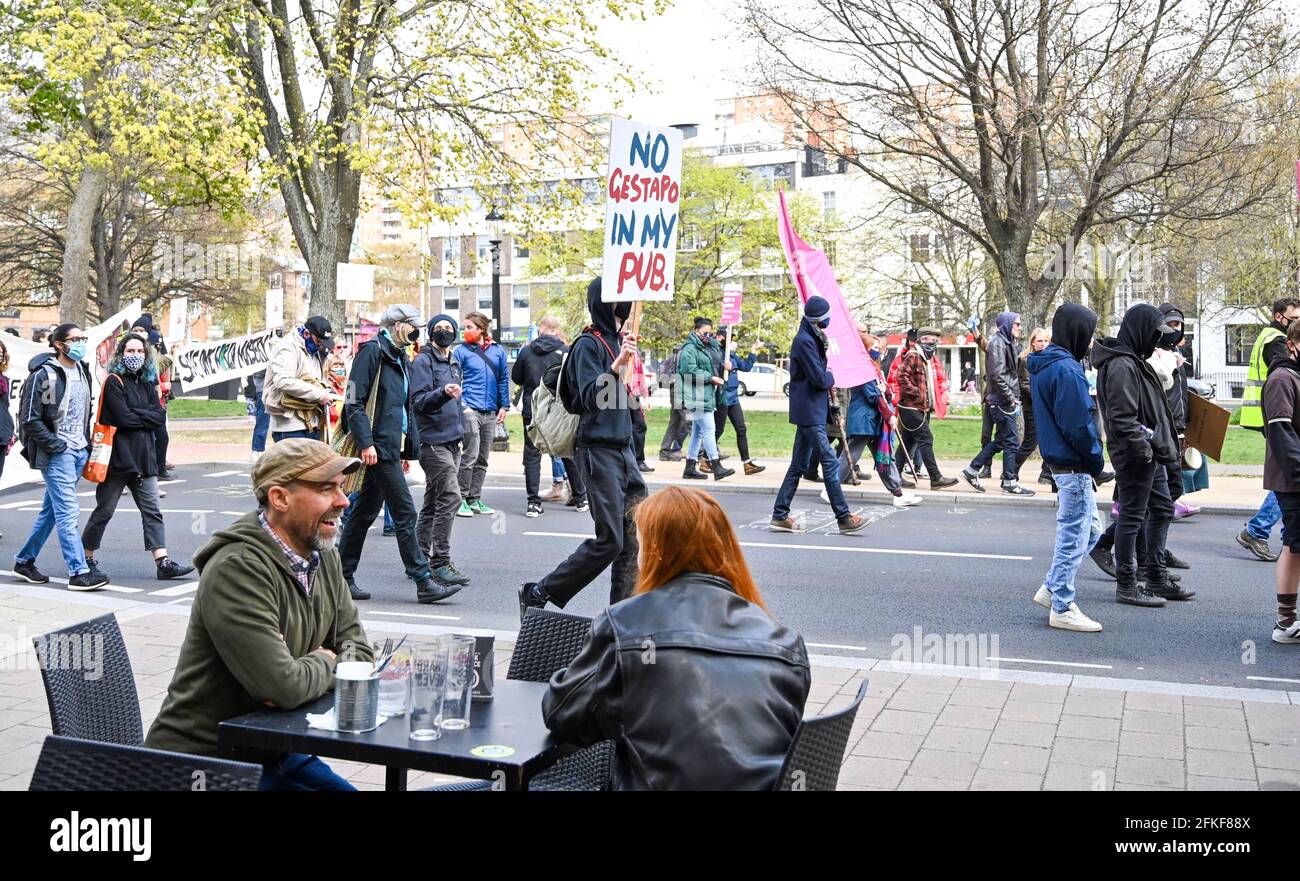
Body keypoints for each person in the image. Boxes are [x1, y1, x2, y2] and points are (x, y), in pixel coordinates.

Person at [543, 486, 810, 790]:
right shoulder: (784, 642)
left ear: (656, 551)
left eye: (640, 544)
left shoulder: (625, 624)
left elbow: (562, 715)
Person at [145, 439, 372, 790]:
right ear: (280, 498)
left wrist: (309, 666)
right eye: (327, 489)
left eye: (341, 488)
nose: (343, 501)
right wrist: (328, 658)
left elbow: (359, 650)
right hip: (206, 763)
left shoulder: (323, 553)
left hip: (276, 749)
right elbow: (281, 686)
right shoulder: (237, 568)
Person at [519, 278, 648, 613]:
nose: (626, 305)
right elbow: (588, 399)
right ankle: (539, 592)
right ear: (605, 303)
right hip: (597, 451)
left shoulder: (616, 342)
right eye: (619, 299)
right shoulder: (587, 345)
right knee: (610, 541)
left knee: (633, 540)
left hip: (624, 452)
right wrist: (617, 366)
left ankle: (623, 614)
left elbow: (619, 399)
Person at [336, 304, 458, 604]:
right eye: (413, 325)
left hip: (389, 446)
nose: (418, 331)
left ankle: (340, 578)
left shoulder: (400, 356)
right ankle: (423, 580)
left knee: (363, 513)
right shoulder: (372, 353)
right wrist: (366, 444)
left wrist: (405, 448)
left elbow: (402, 408)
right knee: (405, 513)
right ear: (398, 325)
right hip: (376, 447)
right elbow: (352, 401)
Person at [1093, 304, 1194, 607]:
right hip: (1136, 455)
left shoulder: (1134, 360)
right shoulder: (1122, 365)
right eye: (1154, 334)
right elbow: (1123, 419)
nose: (1156, 341)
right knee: (1133, 517)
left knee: (1162, 508)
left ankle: (1156, 577)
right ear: (1140, 331)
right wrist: (1146, 450)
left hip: (1151, 452)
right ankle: (1127, 584)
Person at [80, 333, 195, 581]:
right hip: (118, 460)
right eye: (130, 352)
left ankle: (163, 562)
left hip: (144, 458)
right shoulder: (114, 381)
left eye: (140, 352)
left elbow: (159, 417)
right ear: (121, 354)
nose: (136, 356)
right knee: (105, 511)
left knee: (152, 511)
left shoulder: (146, 381)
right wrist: (144, 417)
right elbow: (122, 418)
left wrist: (140, 416)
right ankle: (85, 557)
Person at [1027, 305, 1106, 632]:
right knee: (1075, 535)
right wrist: (1096, 458)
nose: (1089, 342)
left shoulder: (1046, 364)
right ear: (1077, 332)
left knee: (1091, 530)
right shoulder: (1068, 370)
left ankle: (1052, 587)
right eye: (1088, 333)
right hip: (1073, 466)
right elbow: (1077, 425)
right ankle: (1061, 604)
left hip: (1062, 463)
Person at [13, 324, 107, 590]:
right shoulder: (46, 376)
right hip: (58, 454)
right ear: (58, 344)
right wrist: (57, 446)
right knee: (67, 512)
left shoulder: (82, 371)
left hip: (78, 451)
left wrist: (85, 446)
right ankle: (79, 572)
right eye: (74, 339)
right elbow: (31, 419)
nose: (80, 343)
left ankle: (24, 561)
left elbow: (83, 413)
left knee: (51, 513)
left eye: (82, 338)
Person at [769, 297, 869, 535]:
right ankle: (844, 517)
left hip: (810, 410)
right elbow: (818, 378)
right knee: (830, 462)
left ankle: (779, 515)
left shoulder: (811, 336)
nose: (828, 319)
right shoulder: (805, 341)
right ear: (818, 318)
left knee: (798, 465)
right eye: (826, 315)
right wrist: (831, 375)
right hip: (809, 412)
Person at [410, 313, 473, 589]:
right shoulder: (423, 361)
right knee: (451, 496)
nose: (444, 332)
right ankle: (440, 562)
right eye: (439, 328)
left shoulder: (454, 363)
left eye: (449, 328)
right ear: (431, 333)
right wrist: (443, 393)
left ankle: (419, 557)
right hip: (432, 441)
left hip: (452, 441)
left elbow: (455, 404)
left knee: (434, 501)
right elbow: (418, 402)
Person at [1237, 297, 1300, 562]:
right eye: (1294, 317)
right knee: (1286, 477)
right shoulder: (1276, 340)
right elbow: (1283, 371)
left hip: (1272, 413)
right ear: (1279, 317)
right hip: (1278, 414)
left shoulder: (1268, 335)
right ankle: (1260, 529)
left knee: (1285, 478)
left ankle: (1272, 532)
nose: (1297, 321)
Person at [511, 315, 586, 516]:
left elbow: (516, 377)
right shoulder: (566, 351)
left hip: (533, 409)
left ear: (541, 329)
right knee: (566, 449)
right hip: (559, 410)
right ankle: (580, 498)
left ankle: (533, 503)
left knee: (532, 454)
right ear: (556, 329)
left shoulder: (527, 351)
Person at [838, 327, 918, 507]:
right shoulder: (863, 369)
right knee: (851, 455)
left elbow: (885, 392)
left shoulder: (875, 369)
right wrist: (889, 414)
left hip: (873, 420)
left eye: (878, 347)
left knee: (884, 456)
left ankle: (897, 492)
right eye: (874, 347)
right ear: (865, 350)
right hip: (863, 419)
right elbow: (872, 395)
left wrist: (886, 392)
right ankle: (831, 488)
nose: (878, 350)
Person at [1260, 319, 1300, 646]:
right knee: (1294, 544)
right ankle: (1285, 622)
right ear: (1292, 344)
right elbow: (1280, 432)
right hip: (1292, 480)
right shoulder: (1282, 378)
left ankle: (1287, 621)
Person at [963, 311, 1034, 495]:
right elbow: (998, 375)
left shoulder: (1006, 343)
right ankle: (1009, 481)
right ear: (1007, 324)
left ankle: (972, 469)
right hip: (1001, 401)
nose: (1019, 327)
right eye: (1016, 324)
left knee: (1003, 439)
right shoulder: (998, 343)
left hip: (1003, 400)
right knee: (1011, 441)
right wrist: (1010, 398)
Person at [453, 311, 509, 517]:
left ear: (481, 329)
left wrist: (504, 406)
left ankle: (474, 498)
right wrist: (464, 407)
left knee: (483, 458)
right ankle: (460, 499)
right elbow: (454, 380)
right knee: (470, 455)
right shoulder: (460, 351)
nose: (465, 331)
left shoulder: (497, 351)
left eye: (469, 327)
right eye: (465, 327)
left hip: (491, 411)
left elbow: (503, 379)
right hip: (470, 410)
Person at [894, 327, 958, 491]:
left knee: (908, 442)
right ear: (922, 340)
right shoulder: (914, 355)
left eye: (936, 340)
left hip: (918, 407)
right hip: (910, 407)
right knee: (926, 438)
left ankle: (894, 476)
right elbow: (901, 375)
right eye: (931, 340)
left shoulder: (925, 358)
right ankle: (936, 478)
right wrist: (916, 392)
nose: (934, 343)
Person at [263, 317, 338, 442]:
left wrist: (327, 390)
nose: (320, 345)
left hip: (312, 424)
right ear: (307, 333)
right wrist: (320, 395)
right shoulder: (287, 347)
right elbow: (283, 381)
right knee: (295, 463)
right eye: (318, 341)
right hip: (290, 427)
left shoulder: (313, 351)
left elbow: (313, 380)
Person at [677, 317, 734, 481]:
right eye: (704, 333)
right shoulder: (690, 349)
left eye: (710, 333)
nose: (708, 335)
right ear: (696, 331)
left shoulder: (706, 347)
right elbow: (689, 371)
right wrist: (711, 378)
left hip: (703, 395)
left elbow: (715, 362)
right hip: (696, 396)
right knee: (709, 430)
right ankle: (716, 466)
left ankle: (689, 467)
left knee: (697, 433)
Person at [715, 329, 765, 475]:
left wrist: (753, 350)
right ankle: (706, 459)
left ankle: (747, 463)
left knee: (741, 428)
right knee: (718, 430)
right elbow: (721, 365)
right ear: (720, 338)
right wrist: (729, 351)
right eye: (729, 338)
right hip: (722, 396)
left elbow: (746, 367)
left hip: (733, 397)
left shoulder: (730, 354)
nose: (732, 342)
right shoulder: (716, 352)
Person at [1015, 327, 1053, 486]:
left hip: (1045, 406)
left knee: (1050, 440)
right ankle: (1010, 470)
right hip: (1032, 406)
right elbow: (1024, 384)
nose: (1043, 344)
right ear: (1033, 342)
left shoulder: (1047, 357)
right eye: (1039, 341)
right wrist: (1041, 396)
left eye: (1045, 341)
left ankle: (1047, 473)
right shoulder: (1026, 359)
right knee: (1031, 442)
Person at [656, 343, 690, 461]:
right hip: (678, 392)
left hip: (674, 392)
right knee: (690, 420)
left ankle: (664, 451)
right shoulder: (680, 358)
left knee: (675, 422)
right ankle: (702, 452)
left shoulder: (672, 358)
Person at [243, 369, 270, 462]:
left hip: (274, 388)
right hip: (264, 389)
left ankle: (259, 449)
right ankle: (258, 449)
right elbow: (258, 370)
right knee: (263, 421)